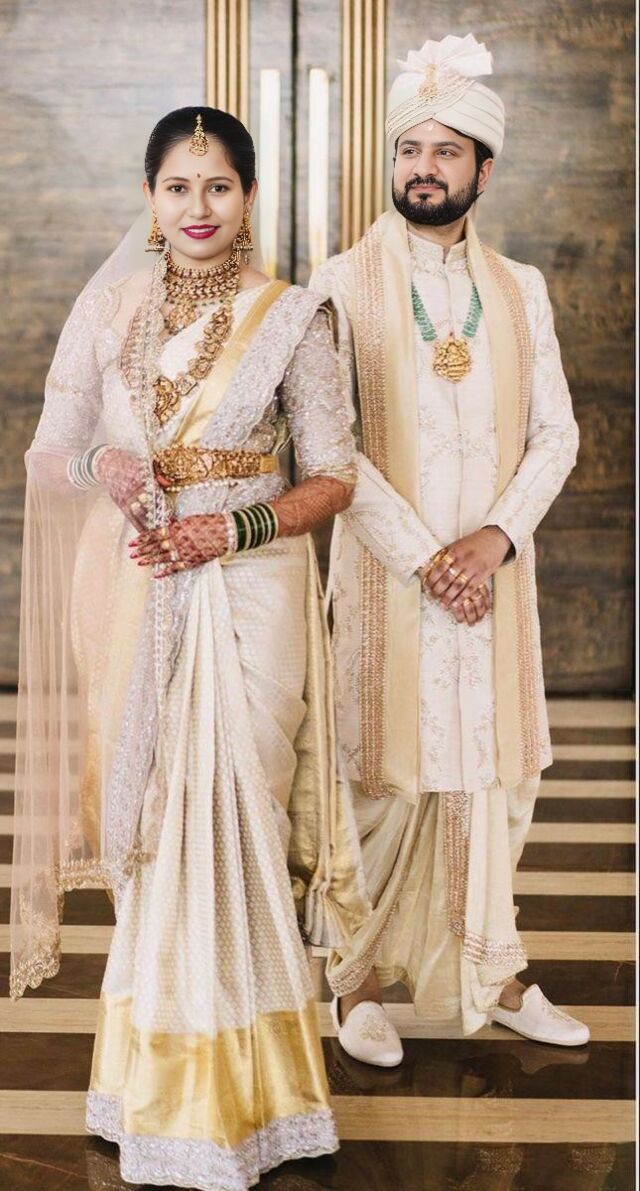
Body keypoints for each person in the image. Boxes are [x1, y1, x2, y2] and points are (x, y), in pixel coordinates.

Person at [10, 106, 369, 1190]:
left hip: (250, 589)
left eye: (218, 186)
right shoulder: (108, 307)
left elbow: (335, 476)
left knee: (240, 809)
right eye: (178, 186)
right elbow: (48, 454)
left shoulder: (294, 317)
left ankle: (256, 1099)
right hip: (128, 587)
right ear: (150, 198)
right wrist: (104, 470)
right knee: (156, 821)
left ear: (248, 195)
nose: (198, 207)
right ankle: (153, 1091)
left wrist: (235, 526)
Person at [310, 33, 588, 1065]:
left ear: (483, 168)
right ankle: (355, 984)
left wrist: (493, 539)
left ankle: (494, 975)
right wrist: (430, 560)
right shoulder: (340, 283)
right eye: (408, 149)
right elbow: (331, 446)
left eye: (445, 151)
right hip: (389, 586)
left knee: (491, 782)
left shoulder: (520, 289)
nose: (422, 168)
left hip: (493, 586)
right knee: (374, 785)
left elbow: (558, 433)